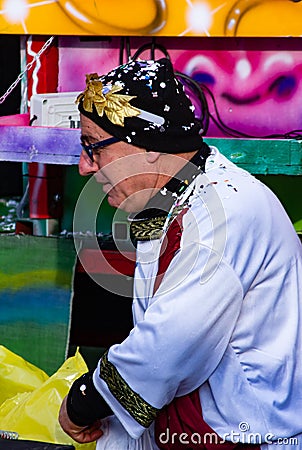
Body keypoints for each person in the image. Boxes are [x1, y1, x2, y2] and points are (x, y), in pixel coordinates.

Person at [58, 57, 302, 449]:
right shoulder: (177, 199)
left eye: (93, 147)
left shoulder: (226, 211)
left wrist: (83, 401)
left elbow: (168, 347)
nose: (85, 167)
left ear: (147, 147)